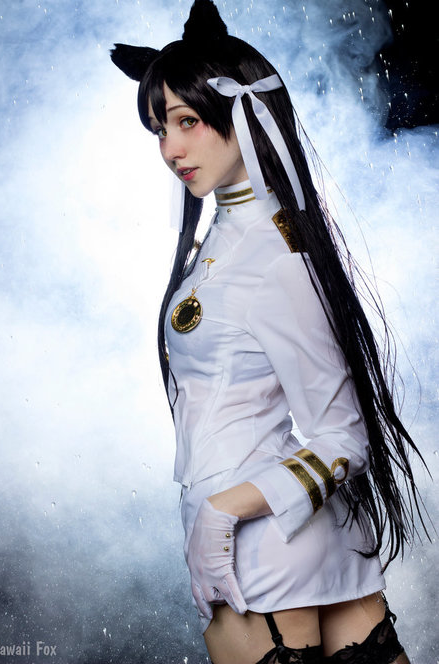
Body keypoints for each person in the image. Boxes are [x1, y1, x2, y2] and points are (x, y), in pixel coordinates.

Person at [111, 1, 428, 662]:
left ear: (246, 112)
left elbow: (344, 437)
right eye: (159, 130)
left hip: (261, 546)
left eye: (187, 122)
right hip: (304, 537)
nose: (170, 150)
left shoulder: (273, 256)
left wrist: (221, 513)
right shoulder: (240, 234)